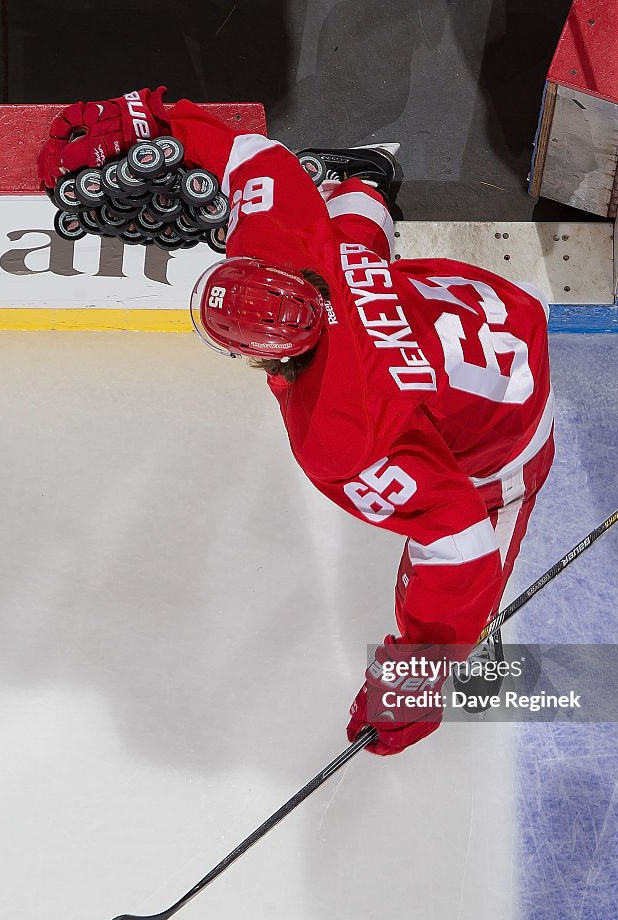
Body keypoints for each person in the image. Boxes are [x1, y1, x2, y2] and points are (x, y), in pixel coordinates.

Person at [39, 87, 555, 756]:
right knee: (348, 253)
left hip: (506, 420)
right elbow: (251, 157)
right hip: (486, 309)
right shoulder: (283, 243)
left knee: (470, 553)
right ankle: (363, 181)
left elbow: (457, 542)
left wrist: (414, 678)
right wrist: (153, 118)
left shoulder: (343, 440)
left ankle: (469, 638)